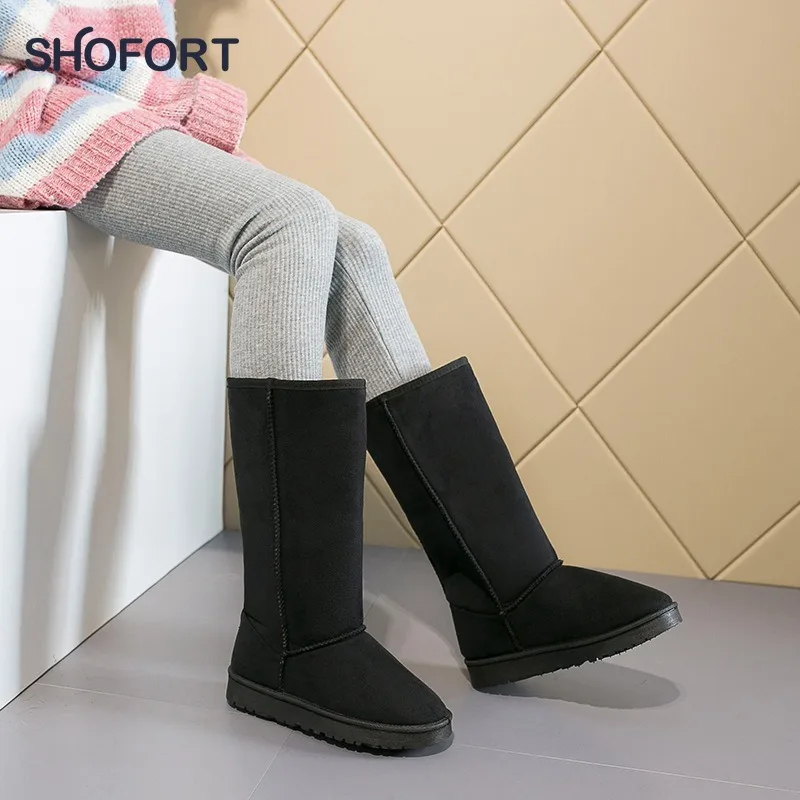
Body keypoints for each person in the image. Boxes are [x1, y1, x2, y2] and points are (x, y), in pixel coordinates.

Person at [0, 0, 681, 753]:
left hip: (101, 99)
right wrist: (138, 82)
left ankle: (510, 592)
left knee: (352, 245)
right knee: (284, 224)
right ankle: (295, 639)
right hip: (33, 99)